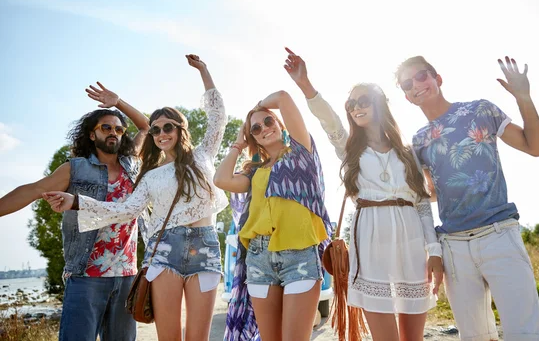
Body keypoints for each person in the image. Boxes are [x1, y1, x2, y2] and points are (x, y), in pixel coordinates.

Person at [44, 54, 228, 341]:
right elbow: (125, 210)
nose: (161, 133)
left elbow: (218, 117)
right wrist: (76, 201)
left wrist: (204, 71)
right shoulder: (150, 175)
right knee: (169, 337)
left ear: (181, 129)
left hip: (205, 248)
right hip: (164, 250)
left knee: (198, 337)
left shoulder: (203, 155)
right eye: (155, 130)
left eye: (168, 127)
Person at [285, 48, 442, 341]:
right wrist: (305, 85)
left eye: (363, 101)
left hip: (411, 239)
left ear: (380, 103)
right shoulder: (349, 148)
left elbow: (421, 203)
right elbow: (329, 121)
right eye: (351, 103)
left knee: (413, 338)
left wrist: (433, 251)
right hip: (370, 236)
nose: (356, 107)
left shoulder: (408, 152)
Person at [396, 55, 539, 341]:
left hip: (499, 234)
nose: (416, 85)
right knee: (475, 336)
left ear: (437, 78)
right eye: (407, 83)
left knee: (526, 334)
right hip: (454, 247)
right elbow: (431, 191)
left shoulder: (481, 110)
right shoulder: (418, 142)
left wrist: (523, 97)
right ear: (406, 96)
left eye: (421, 76)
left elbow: (537, 147)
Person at [0, 82, 149, 341]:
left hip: (126, 277)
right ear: (92, 135)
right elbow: (32, 190)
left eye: (118, 128)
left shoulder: (131, 165)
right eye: (106, 127)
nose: (113, 132)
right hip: (85, 276)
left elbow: (146, 126)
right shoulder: (76, 168)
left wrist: (118, 102)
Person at [214, 86, 333, 341]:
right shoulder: (254, 171)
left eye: (268, 121)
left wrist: (256, 108)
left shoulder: (302, 155)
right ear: (253, 138)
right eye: (255, 129)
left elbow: (282, 97)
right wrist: (238, 142)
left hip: (299, 255)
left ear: (280, 124)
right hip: (259, 258)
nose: (264, 128)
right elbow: (221, 179)